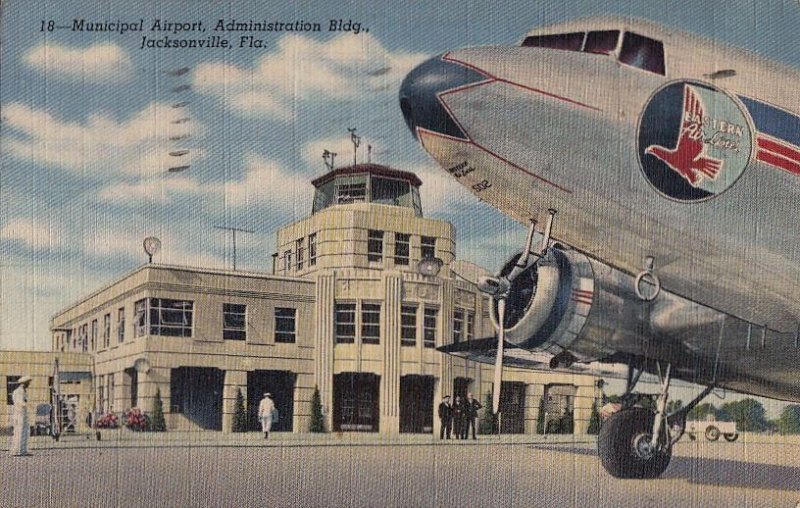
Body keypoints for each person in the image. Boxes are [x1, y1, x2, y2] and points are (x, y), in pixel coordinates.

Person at [9, 376, 32, 456]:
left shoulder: (24, 391)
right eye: (28, 383)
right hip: (19, 414)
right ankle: (16, 450)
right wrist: (27, 404)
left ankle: (23, 450)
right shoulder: (18, 392)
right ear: (23, 383)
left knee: (25, 431)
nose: (29, 384)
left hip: (24, 414)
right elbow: (20, 403)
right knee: (19, 431)